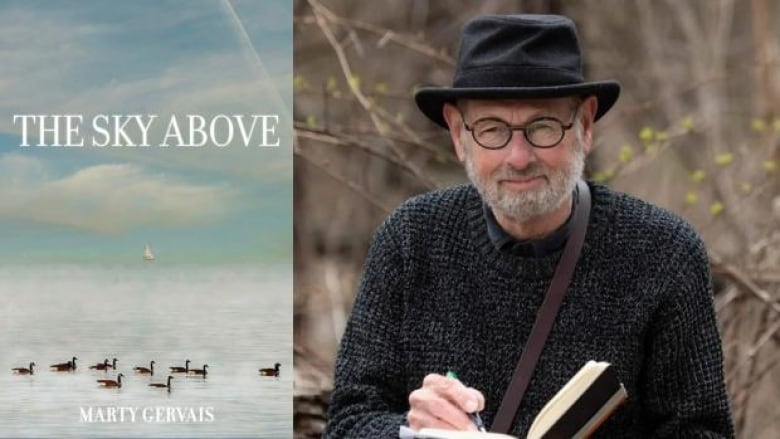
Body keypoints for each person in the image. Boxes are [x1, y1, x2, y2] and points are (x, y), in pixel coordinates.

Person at [324, 14, 734, 438]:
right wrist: (414, 433)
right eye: (492, 129)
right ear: (457, 132)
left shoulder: (663, 252)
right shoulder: (411, 239)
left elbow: (703, 432)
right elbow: (349, 421)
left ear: (586, 124)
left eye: (542, 127)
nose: (518, 157)